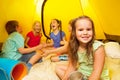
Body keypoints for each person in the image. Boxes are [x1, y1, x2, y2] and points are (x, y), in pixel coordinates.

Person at [55, 16, 110, 80]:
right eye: (80, 30)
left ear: (93, 31)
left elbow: (96, 73)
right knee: (58, 68)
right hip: (82, 74)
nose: (85, 33)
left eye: (88, 29)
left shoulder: (98, 47)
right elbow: (72, 66)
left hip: (97, 77)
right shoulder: (74, 46)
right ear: (74, 32)